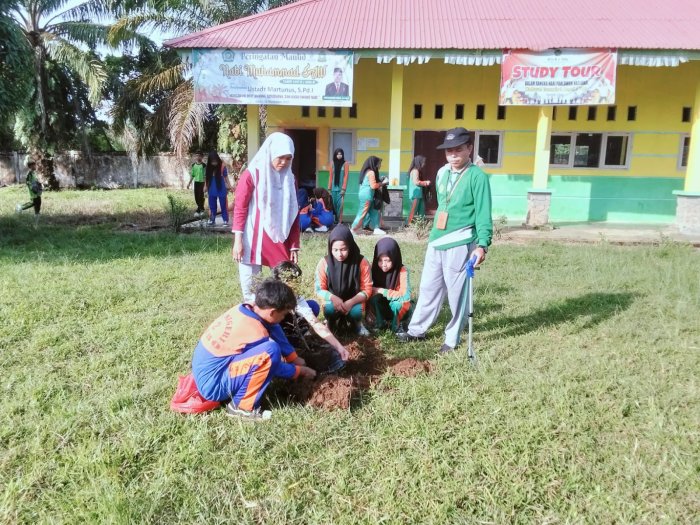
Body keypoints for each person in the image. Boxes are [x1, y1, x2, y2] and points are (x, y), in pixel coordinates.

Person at [397, 127, 493, 354]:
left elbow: (483, 213)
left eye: (458, 149)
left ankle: (451, 339)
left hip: (461, 241)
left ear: (469, 148)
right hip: (436, 239)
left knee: (457, 293)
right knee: (428, 288)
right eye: (449, 151)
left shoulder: (477, 177)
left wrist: (482, 245)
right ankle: (417, 330)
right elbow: (443, 204)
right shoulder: (441, 173)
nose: (453, 155)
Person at [191, 279, 316, 421]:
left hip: (204, 370)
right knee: (270, 352)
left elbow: (274, 326)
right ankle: (241, 408)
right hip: (213, 385)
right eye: (283, 314)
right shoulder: (255, 332)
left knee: (270, 341)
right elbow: (272, 365)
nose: (283, 318)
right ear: (273, 312)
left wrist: (293, 358)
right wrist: (298, 371)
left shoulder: (247, 308)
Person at [233, 132, 300, 302]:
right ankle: (255, 316)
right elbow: (240, 207)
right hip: (252, 238)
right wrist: (238, 240)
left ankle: (292, 316)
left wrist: (294, 245)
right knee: (251, 293)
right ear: (270, 153)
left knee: (288, 287)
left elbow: (293, 213)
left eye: (288, 158)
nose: (284, 162)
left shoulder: (290, 179)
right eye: (280, 157)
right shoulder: (251, 175)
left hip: (279, 238)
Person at [272, 261, 349, 369]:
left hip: (287, 323)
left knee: (313, 306)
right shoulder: (269, 300)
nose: (294, 289)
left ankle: (294, 339)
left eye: (296, 283)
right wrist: (292, 357)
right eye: (290, 284)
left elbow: (315, 323)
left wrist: (339, 347)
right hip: (271, 331)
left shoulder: (296, 297)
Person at [315, 224, 372, 336]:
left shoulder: (361, 262)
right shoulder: (324, 262)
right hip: (333, 301)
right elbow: (319, 289)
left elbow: (367, 289)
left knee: (356, 312)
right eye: (335, 250)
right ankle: (330, 321)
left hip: (354, 301)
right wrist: (333, 298)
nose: (339, 254)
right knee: (329, 309)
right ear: (330, 248)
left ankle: (357, 324)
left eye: (343, 249)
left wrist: (351, 302)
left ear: (350, 246)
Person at [368, 237, 413, 334]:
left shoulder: (402, 270)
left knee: (399, 304)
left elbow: (406, 296)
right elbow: (366, 290)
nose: (383, 264)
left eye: (387, 260)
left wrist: (382, 291)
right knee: (374, 299)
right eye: (380, 260)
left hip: (397, 308)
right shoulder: (373, 269)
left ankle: (398, 325)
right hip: (382, 308)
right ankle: (380, 323)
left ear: (394, 258)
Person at [350, 156, 388, 236]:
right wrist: (383, 183)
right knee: (362, 213)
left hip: (366, 195)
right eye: (379, 164)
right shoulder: (371, 172)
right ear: (374, 163)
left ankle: (376, 228)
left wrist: (380, 181)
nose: (379, 165)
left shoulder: (366, 171)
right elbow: (373, 186)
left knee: (374, 211)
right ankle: (352, 229)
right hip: (367, 196)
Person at [204, 151, 232, 226]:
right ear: (210, 161)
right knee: (212, 205)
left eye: (215, 161)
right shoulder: (208, 168)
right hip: (211, 189)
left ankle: (225, 220)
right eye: (212, 162)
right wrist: (205, 186)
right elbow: (207, 178)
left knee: (223, 205)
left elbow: (226, 177)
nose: (214, 163)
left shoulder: (222, 166)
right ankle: (212, 220)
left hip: (221, 189)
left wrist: (229, 186)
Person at [15, 159, 42, 227]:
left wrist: (39, 184)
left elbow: (36, 181)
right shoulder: (29, 174)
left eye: (35, 165)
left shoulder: (34, 173)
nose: (35, 166)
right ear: (30, 166)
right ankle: (20, 207)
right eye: (33, 165)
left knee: (38, 205)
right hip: (33, 193)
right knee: (33, 203)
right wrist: (33, 188)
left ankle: (36, 224)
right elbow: (28, 183)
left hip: (37, 192)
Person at [406, 155, 431, 225]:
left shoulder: (417, 171)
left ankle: (420, 224)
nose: (424, 164)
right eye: (423, 162)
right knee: (413, 211)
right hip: (415, 195)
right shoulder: (415, 171)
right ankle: (408, 224)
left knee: (421, 211)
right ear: (419, 162)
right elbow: (416, 182)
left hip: (419, 194)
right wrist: (425, 182)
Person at [328, 148, 349, 223]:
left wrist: (344, 188)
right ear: (335, 155)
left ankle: (340, 221)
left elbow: (346, 176)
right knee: (333, 205)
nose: (339, 155)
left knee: (340, 205)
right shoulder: (332, 163)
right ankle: (334, 220)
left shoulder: (345, 163)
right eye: (338, 154)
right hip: (333, 189)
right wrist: (329, 188)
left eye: (341, 154)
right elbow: (330, 176)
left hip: (341, 189)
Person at [186, 152, 207, 218]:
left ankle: (201, 210)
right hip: (196, 183)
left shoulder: (204, 165)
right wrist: (189, 183)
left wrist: (205, 185)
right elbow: (192, 175)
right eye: (197, 156)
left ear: (202, 157)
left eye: (199, 156)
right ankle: (200, 209)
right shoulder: (193, 165)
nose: (198, 157)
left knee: (201, 197)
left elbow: (205, 176)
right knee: (196, 197)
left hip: (202, 183)